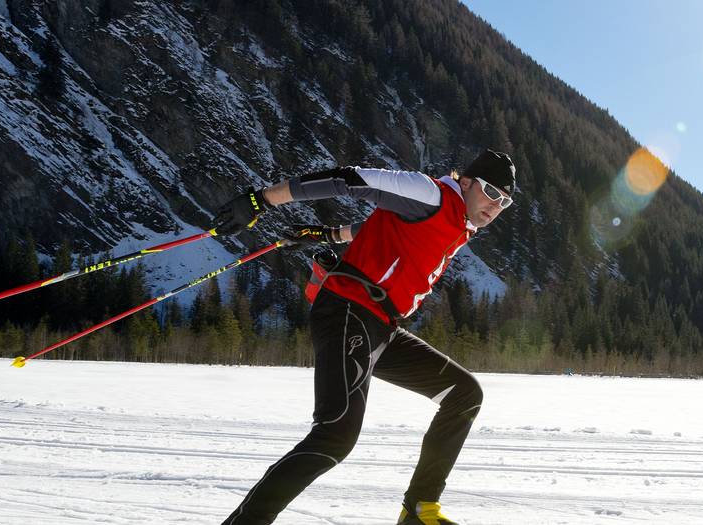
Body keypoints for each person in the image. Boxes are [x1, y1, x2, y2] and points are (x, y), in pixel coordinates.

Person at [213, 151, 519, 525]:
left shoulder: (458, 222)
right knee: (336, 434)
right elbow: (350, 179)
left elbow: (382, 226)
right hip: (349, 311)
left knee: (464, 394)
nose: (495, 205)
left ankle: (419, 511)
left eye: (504, 201)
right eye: (491, 192)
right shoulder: (430, 194)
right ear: (467, 182)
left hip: (382, 326)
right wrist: (262, 199)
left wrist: (328, 235)